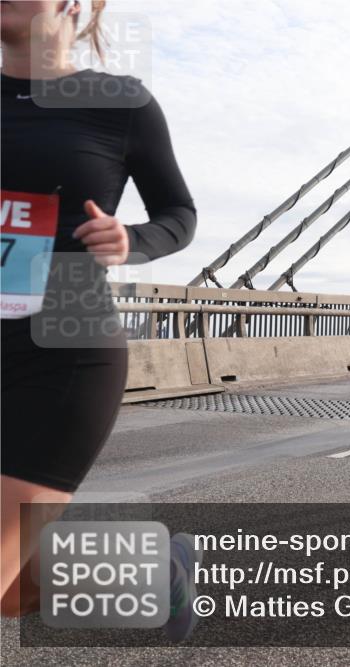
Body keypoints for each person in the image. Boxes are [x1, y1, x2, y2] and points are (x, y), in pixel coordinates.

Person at [1, 0, 200, 639]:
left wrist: (129, 240)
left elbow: (179, 213)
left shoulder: (120, 103)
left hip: (62, 352)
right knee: (9, 593)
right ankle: (155, 570)